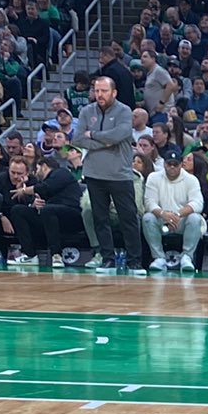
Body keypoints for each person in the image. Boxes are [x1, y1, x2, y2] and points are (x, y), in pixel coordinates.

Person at [74, 75, 143, 272]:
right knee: (99, 218)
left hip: (119, 174)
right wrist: (105, 141)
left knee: (128, 218)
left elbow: (119, 134)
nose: (99, 94)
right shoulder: (87, 111)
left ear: (114, 92)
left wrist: (94, 135)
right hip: (94, 174)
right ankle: (107, 259)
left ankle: (134, 261)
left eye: (104, 91)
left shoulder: (124, 111)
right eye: (96, 91)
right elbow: (78, 138)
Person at [142, 144, 205, 273]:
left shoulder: (191, 180)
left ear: (181, 165)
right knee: (147, 217)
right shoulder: (153, 177)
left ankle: (187, 257)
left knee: (195, 218)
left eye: (175, 164)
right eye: (169, 164)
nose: (172, 167)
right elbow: (149, 202)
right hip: (161, 219)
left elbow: (198, 203)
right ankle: (158, 257)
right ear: (164, 164)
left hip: (181, 221)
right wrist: (163, 214)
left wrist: (177, 215)